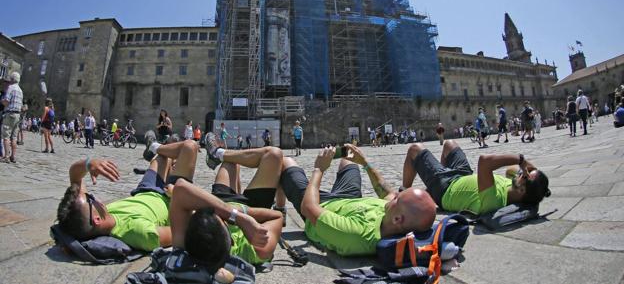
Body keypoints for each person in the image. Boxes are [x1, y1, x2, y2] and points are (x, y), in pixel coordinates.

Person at [274, 144, 436, 257]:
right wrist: (364, 162)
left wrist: (319, 168)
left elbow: (308, 208)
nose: (395, 195)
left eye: (397, 198)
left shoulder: (357, 234)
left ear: (397, 219)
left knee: (285, 162)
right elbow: (386, 191)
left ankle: (280, 208)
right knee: (347, 158)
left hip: (320, 204)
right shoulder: (394, 216)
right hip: (350, 199)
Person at [55, 136, 199, 251]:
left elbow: (75, 175)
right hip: (171, 199)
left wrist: (89, 163)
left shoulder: (96, 213)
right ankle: (157, 148)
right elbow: (182, 231)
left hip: (146, 190)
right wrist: (179, 197)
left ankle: (156, 148)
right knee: (190, 147)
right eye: (90, 198)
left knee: (162, 157)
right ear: (97, 220)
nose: (94, 196)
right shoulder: (140, 233)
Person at [175, 133, 285, 270]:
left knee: (231, 162)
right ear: (232, 242)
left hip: (220, 200)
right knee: (274, 154)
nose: (222, 215)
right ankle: (218, 153)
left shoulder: (185, 246)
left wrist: (236, 217)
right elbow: (277, 216)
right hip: (253, 209)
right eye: (221, 218)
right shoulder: (256, 249)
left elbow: (180, 187)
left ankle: (216, 154)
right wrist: (240, 215)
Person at [402, 140, 550, 215]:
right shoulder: (513, 186)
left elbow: (484, 161)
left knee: (414, 149)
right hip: (462, 175)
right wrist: (531, 171)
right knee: (449, 144)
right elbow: (512, 170)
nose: (522, 173)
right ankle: (439, 174)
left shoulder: (494, 200)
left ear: (522, 189)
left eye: (525, 176)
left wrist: (521, 159)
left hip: (446, 189)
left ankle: (403, 194)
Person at [1, 72, 23, 163]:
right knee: (14, 137)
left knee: (6, 136)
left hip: (9, 114)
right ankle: (13, 156)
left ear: (12, 79)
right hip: (17, 115)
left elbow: (6, 101)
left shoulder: (11, 88)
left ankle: (6, 156)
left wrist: (2, 101)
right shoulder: (20, 90)